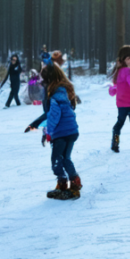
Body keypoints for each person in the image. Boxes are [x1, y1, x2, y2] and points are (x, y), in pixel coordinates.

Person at [41, 64, 81, 200]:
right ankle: (66, 185)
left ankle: (71, 186)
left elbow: (53, 116)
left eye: (44, 80)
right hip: (71, 131)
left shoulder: (55, 96)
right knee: (65, 159)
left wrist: (48, 132)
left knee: (57, 160)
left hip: (62, 134)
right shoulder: (64, 92)